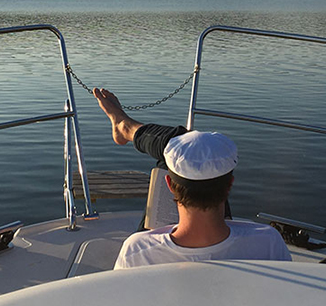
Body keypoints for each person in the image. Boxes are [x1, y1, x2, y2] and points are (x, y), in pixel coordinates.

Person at [92, 88, 291, 269]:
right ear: (230, 184)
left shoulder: (138, 251)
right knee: (194, 154)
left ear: (168, 184)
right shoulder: (268, 242)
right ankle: (126, 127)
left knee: (175, 147)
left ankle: (125, 126)